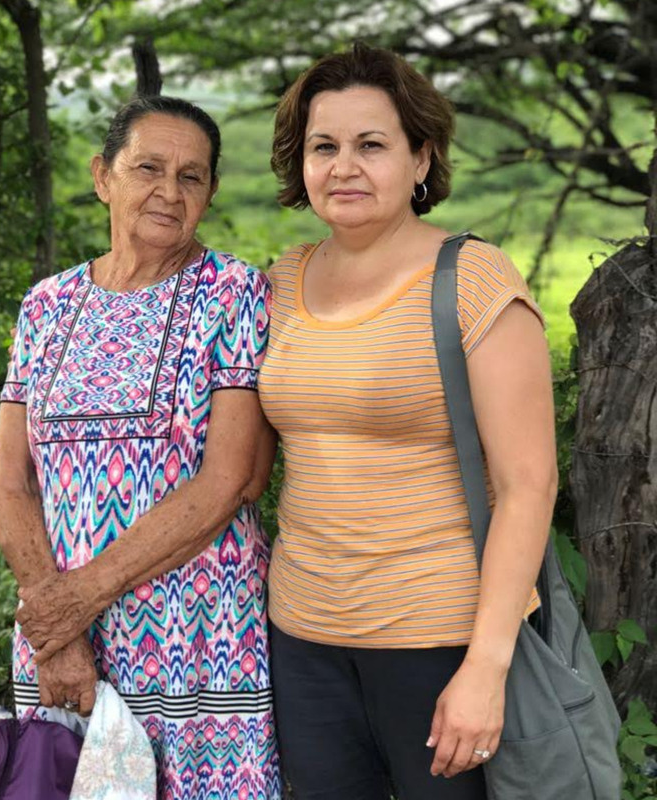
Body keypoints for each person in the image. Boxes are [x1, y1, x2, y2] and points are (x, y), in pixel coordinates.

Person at [259, 43, 558, 800]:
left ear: (420, 157)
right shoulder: (283, 279)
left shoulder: (472, 277)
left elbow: (528, 485)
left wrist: (486, 667)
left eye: (371, 145)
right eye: (324, 147)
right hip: (302, 640)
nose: (344, 167)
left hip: (439, 640)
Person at [0, 95, 281, 800]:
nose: (169, 191)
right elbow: (8, 481)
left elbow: (231, 479)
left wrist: (75, 602)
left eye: (191, 176)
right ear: (103, 177)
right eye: (148, 168)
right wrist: (60, 633)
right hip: (64, 642)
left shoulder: (236, 294)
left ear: (210, 192)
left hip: (199, 639)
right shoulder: (46, 305)